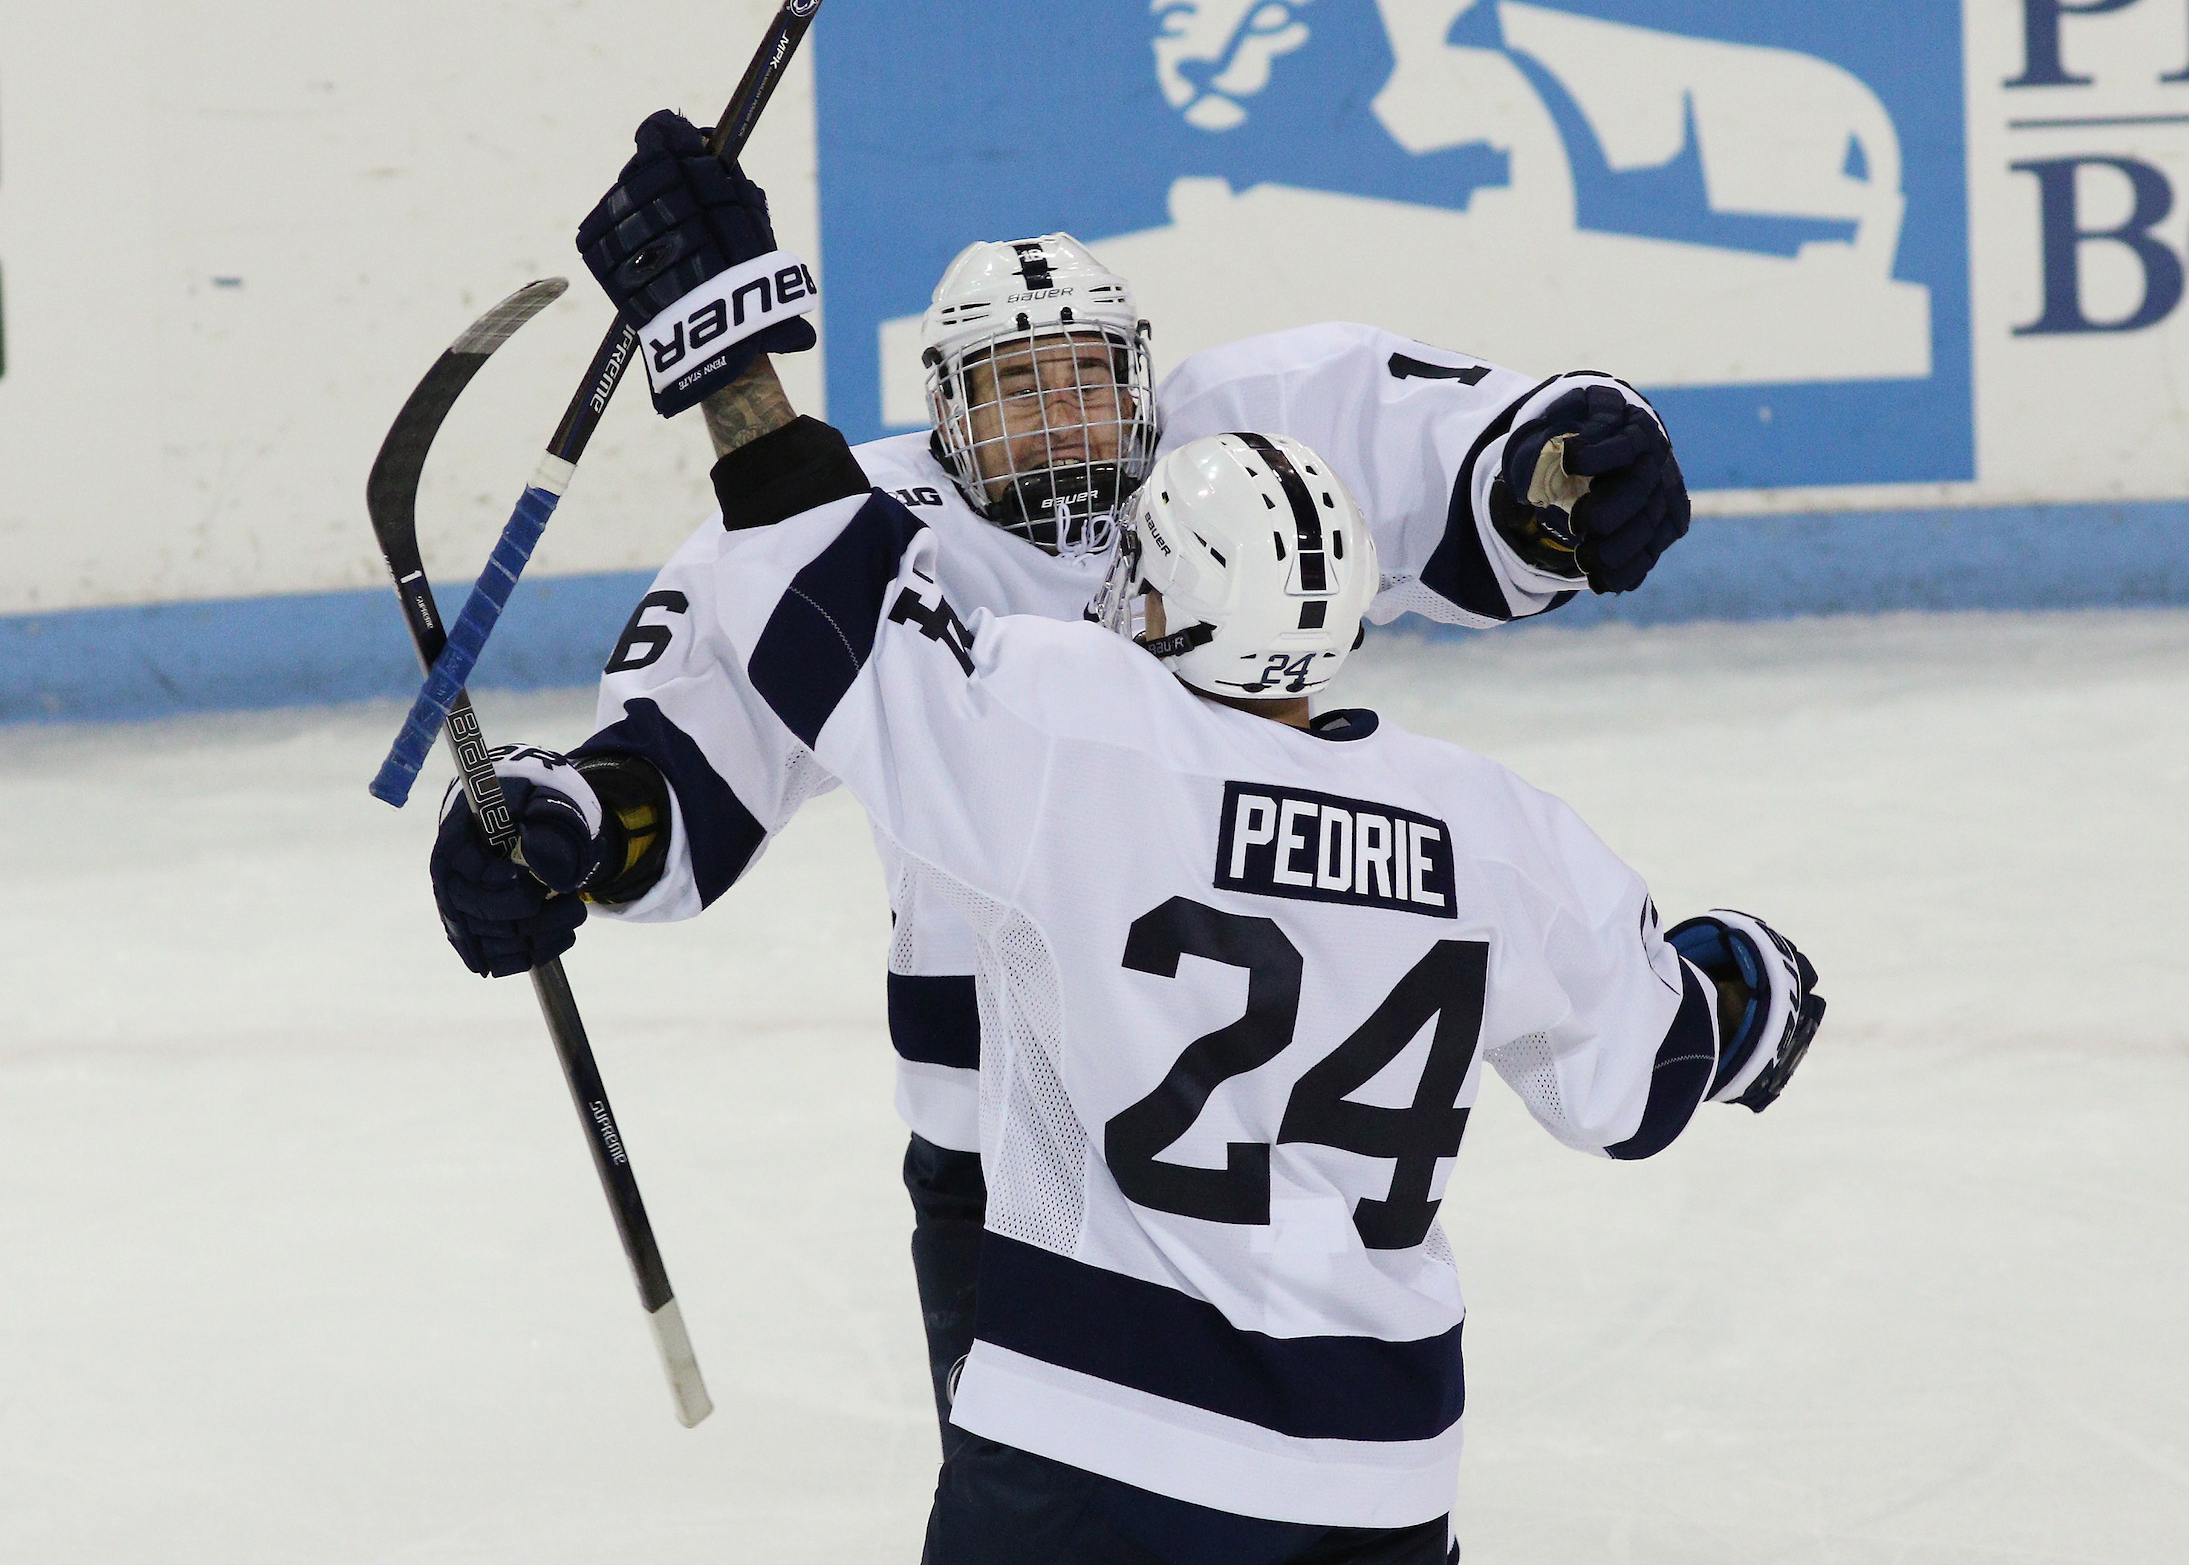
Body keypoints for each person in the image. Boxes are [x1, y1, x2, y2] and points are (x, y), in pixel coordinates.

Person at [444, 109, 1698, 1454]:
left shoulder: (1235, 455)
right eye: (1014, 388)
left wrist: (1569, 468)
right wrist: (561, 825)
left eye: (1087, 380)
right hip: (1007, 1165)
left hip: (1277, 1143)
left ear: (1142, 380)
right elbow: (673, 779)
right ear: (944, 411)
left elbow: (1470, 447)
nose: (1059, 422)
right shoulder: (854, 527)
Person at [433, 418, 1824, 1563]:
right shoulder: (1499, 829)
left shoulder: (1080, 739)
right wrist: (1746, 980)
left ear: (1160, 599)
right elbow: (1645, 1080)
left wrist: (725, 352)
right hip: (1380, 1485)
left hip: (1095, 1454)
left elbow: (828, 610)